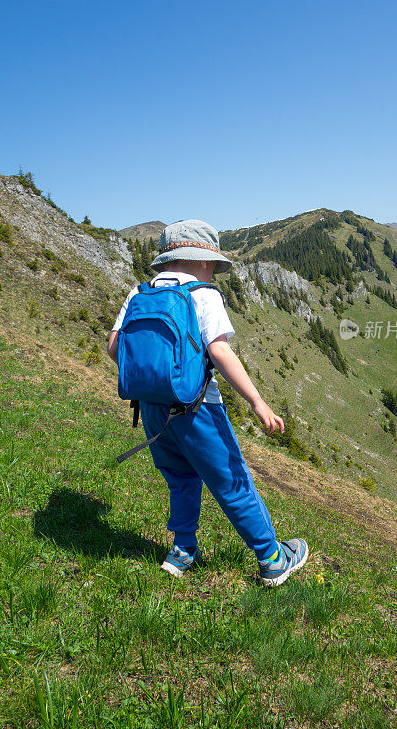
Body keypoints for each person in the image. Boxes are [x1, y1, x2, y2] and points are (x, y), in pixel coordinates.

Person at [108, 219, 308, 586]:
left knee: (181, 479)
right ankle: (274, 559)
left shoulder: (139, 294)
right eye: (214, 264)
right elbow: (218, 350)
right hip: (198, 409)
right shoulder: (203, 293)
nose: (214, 271)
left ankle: (182, 551)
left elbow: (114, 346)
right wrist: (257, 402)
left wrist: (154, 378)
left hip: (152, 410)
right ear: (202, 260)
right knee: (233, 481)